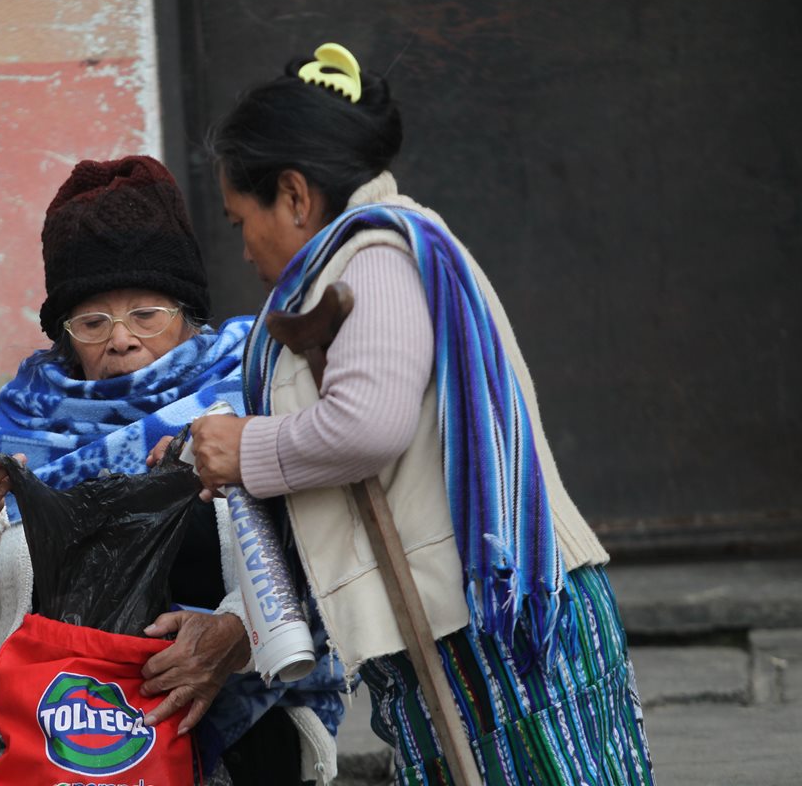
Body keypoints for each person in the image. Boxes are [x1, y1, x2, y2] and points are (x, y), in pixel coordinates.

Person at [181, 44, 656, 784]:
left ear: (296, 196)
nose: (241, 247)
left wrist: (250, 450)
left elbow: (367, 425)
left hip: (496, 629)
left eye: (242, 219)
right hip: (451, 628)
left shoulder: (377, 259)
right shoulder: (362, 258)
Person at [0, 155, 344, 786]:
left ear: (187, 312)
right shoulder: (15, 435)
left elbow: (331, 560)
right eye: (93, 321)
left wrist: (238, 633)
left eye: (146, 314)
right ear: (64, 335)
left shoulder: (251, 401)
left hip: (230, 731)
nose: (121, 339)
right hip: (47, 744)